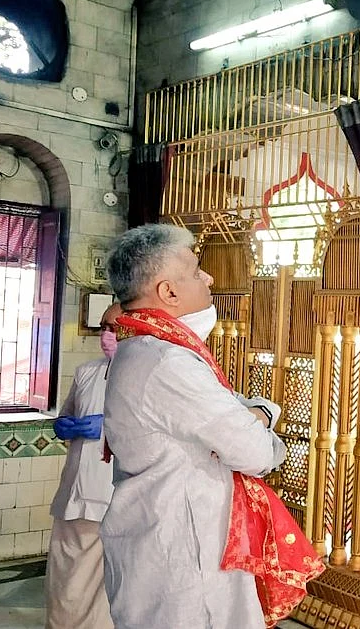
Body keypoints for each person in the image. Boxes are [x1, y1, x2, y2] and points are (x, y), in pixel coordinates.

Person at [101, 224, 323, 629]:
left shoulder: (145, 350)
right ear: (169, 292)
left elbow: (234, 416)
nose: (210, 278)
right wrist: (261, 418)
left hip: (167, 544)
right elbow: (256, 452)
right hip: (186, 561)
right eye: (196, 270)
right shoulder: (167, 362)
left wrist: (252, 416)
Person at [45, 302, 122, 629]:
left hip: (107, 497)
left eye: (114, 328)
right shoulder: (87, 372)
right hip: (72, 493)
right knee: (64, 580)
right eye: (103, 327)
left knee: (97, 590)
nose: (106, 335)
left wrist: (108, 427)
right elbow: (67, 413)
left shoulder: (146, 377)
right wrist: (64, 424)